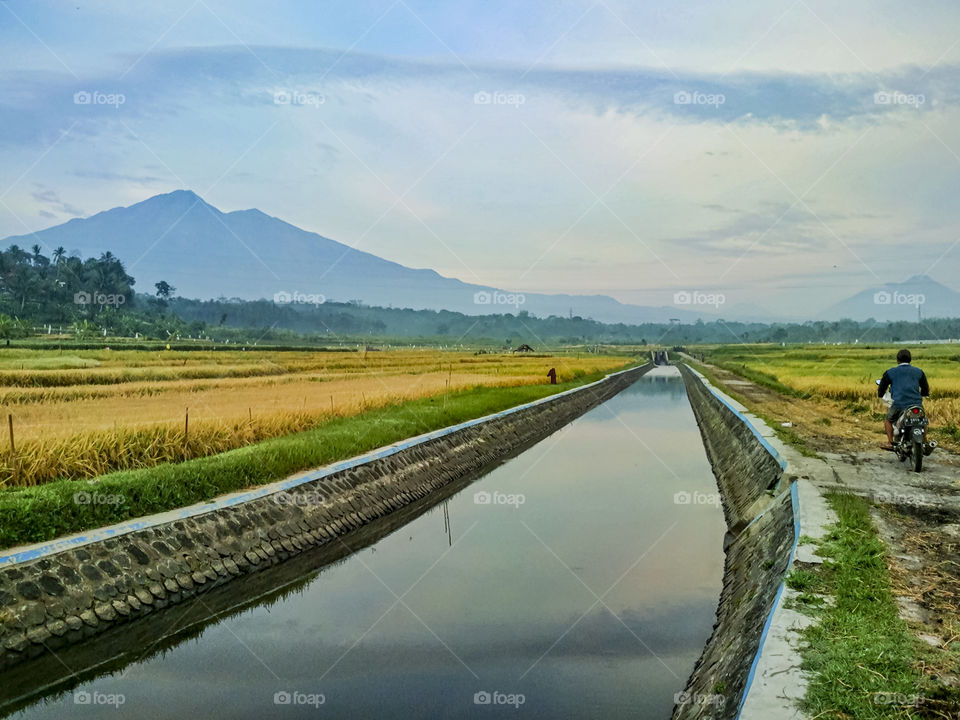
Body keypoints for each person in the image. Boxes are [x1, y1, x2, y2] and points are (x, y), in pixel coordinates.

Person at [877, 348, 929, 450]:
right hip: (916, 404)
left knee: (888, 420)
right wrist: (924, 394)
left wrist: (881, 395)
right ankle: (924, 440)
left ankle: (890, 442)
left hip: (898, 404)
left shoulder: (890, 372)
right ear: (910, 359)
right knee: (922, 420)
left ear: (897, 360)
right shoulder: (919, 372)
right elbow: (925, 388)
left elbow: (882, 387)